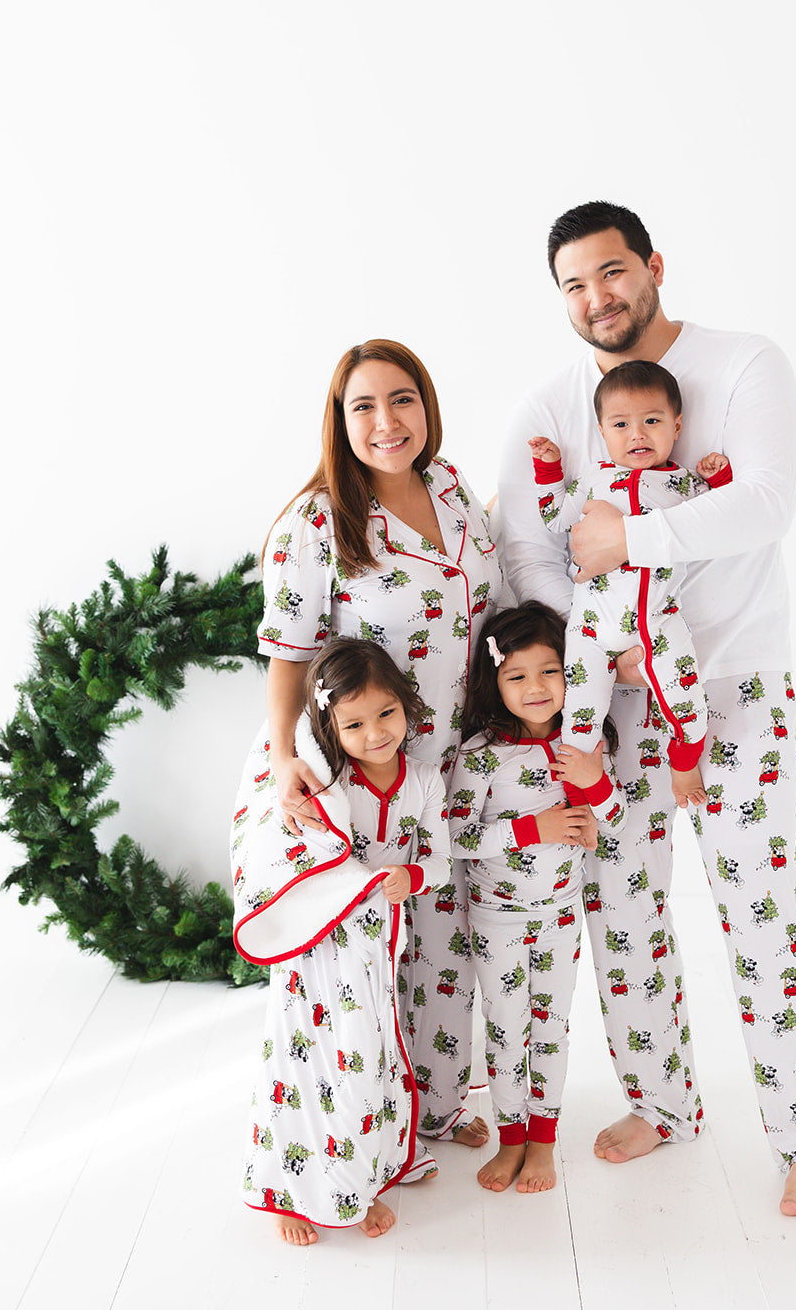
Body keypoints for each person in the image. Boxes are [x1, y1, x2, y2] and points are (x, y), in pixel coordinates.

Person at [497, 200, 796, 1219]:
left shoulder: (742, 365)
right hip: (609, 708)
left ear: (652, 265)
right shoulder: (549, 403)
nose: (596, 297)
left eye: (611, 271)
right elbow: (526, 545)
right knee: (622, 914)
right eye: (573, 284)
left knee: (759, 908)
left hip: (734, 690)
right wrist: (593, 635)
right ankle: (662, 1102)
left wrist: (629, 543)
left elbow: (765, 500)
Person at [255, 339, 502, 1146]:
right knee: (367, 960)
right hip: (365, 776)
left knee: (444, 947)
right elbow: (288, 654)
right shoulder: (317, 523)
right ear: (340, 420)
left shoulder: (452, 489)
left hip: (455, 765)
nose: (386, 421)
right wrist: (284, 756)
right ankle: (360, 1135)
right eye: (363, 405)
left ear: (426, 406)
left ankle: (438, 1106)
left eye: (402, 399)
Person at [232, 638, 450, 1244]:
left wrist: (412, 877)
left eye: (386, 713)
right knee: (300, 1059)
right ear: (329, 727)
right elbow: (291, 854)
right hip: (317, 945)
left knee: (368, 1056)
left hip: (377, 946)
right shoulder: (325, 785)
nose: (375, 733)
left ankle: (364, 1176)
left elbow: (439, 859)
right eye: (353, 724)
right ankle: (290, 1191)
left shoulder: (424, 780)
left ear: (406, 704)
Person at [446, 602, 625, 1195]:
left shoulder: (583, 743)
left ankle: (543, 1140)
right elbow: (456, 838)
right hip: (497, 919)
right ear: (495, 682)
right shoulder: (481, 755)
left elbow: (616, 817)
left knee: (551, 1027)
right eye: (517, 675)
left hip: (560, 915)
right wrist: (534, 828)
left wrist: (594, 786)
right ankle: (511, 1138)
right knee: (506, 1027)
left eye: (550, 671)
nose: (536, 687)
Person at [529, 358, 731, 807]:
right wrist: (550, 471)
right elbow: (555, 517)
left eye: (651, 421)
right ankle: (580, 796)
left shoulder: (682, 484)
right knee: (579, 720)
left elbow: (718, 524)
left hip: (659, 621)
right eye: (621, 424)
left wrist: (718, 480)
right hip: (591, 629)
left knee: (687, 703)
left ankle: (683, 765)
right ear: (603, 432)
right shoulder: (594, 479)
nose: (637, 434)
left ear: (676, 426)